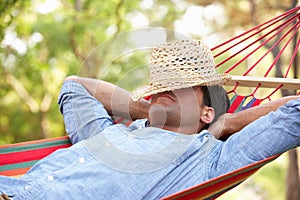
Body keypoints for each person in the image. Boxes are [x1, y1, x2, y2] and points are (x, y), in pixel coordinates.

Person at [0, 40, 299, 200]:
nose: (167, 88)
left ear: (207, 113)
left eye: (184, 85)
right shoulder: (106, 134)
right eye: (163, 84)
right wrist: (146, 110)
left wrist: (230, 124)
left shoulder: (208, 160)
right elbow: (74, 86)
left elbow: (294, 112)